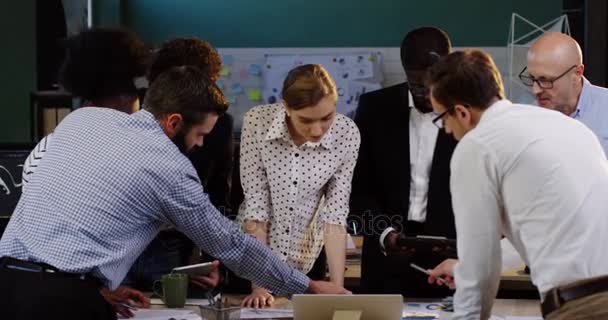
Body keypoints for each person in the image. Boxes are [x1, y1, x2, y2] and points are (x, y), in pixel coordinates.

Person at [0, 66, 349, 320]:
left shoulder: (83, 120)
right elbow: (230, 243)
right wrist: (307, 287)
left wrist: (92, 287)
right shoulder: (169, 168)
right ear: (174, 122)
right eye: (200, 134)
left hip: (7, 282)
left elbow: (60, 210)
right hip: (58, 305)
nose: (199, 145)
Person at [426, 49, 608, 320]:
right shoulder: (563, 124)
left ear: (462, 112)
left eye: (442, 120)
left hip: (584, 306)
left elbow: (481, 266)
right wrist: (463, 267)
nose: (448, 131)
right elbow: (555, 232)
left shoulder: (478, 146)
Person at [20, 28, 153, 318]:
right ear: (121, 100)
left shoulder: (46, 150)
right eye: (134, 100)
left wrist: (94, 291)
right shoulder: (135, 153)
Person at [237, 64, 360, 308]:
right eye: (306, 120)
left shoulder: (347, 133)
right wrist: (259, 285)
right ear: (286, 107)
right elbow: (256, 208)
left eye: (326, 118)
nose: (317, 130)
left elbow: (335, 216)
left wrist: (338, 289)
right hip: (251, 262)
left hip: (303, 265)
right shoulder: (257, 122)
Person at [349, 26, 457, 297]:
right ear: (405, 72)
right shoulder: (374, 109)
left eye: (434, 85)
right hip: (386, 260)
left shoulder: (468, 113)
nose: (426, 94)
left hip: (451, 265)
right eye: (416, 85)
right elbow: (358, 187)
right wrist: (384, 233)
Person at [122, 37, 235, 292]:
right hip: (123, 239)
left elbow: (217, 195)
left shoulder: (215, 123)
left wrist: (211, 261)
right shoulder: (129, 112)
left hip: (173, 243)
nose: (200, 142)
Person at [522, 32, 608, 155]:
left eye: (546, 80)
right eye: (532, 78)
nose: (535, 90)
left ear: (577, 73)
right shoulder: (528, 118)